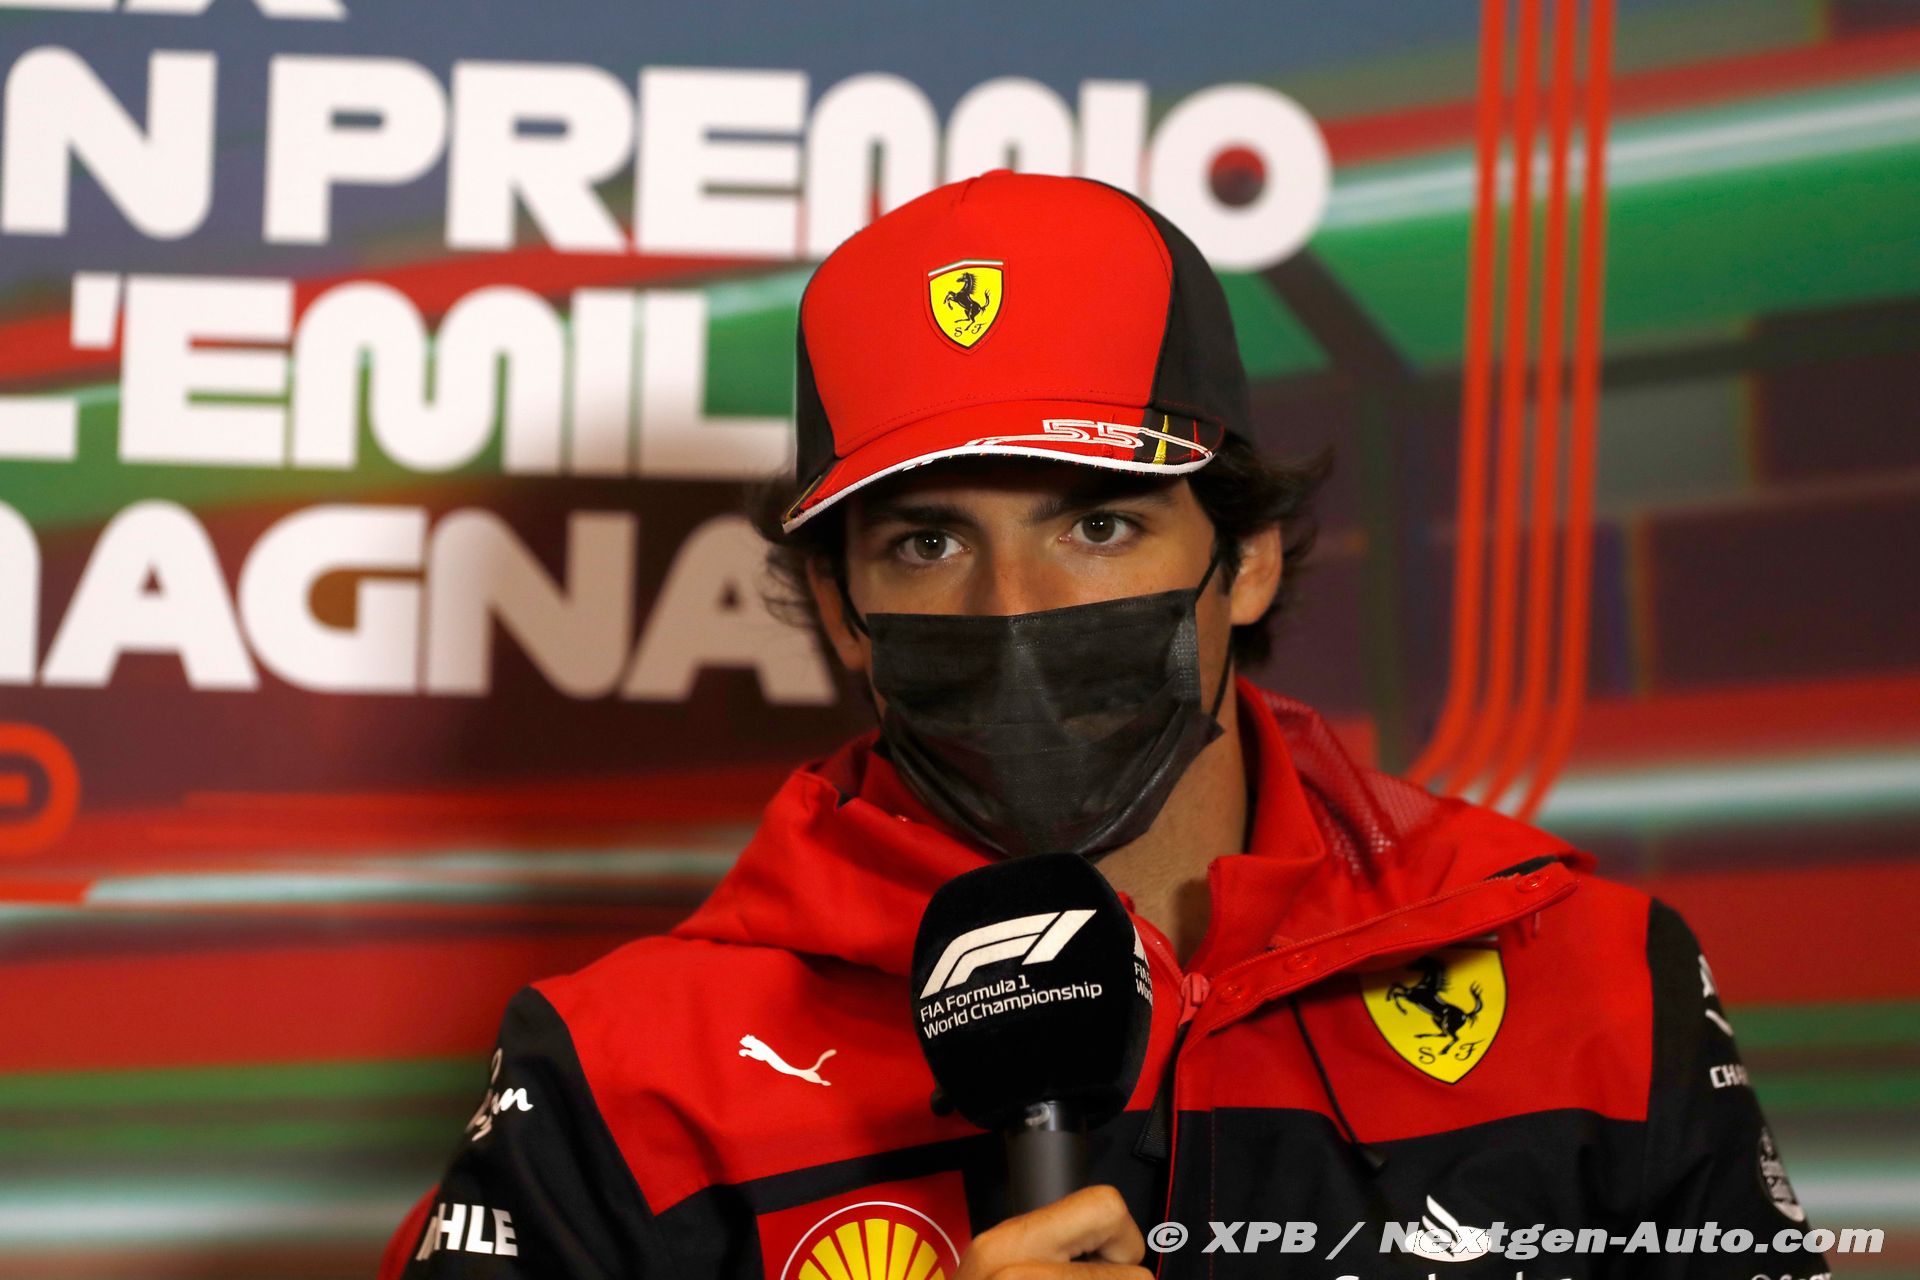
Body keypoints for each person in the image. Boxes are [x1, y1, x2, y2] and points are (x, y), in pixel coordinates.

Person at [379, 171, 1826, 1279]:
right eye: (928, 543)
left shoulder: (1586, 975)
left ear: (1244, 559)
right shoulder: (628, 1072)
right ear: (840, 608)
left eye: (1098, 523)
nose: (1014, 608)